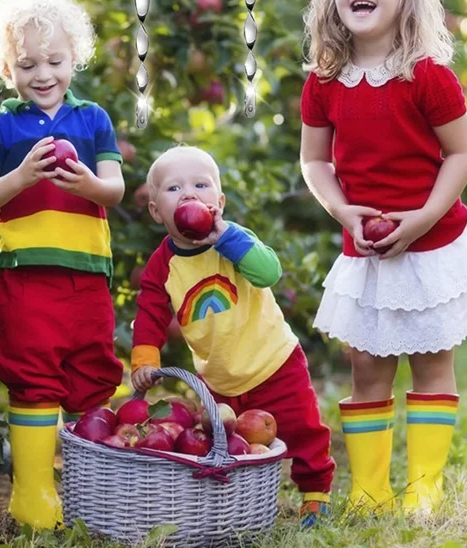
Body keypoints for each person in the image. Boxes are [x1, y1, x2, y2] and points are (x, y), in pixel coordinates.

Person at [299, 0, 467, 516]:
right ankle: (370, 493)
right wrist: (342, 210)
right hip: (364, 246)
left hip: (430, 243)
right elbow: (314, 160)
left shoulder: (427, 75)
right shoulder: (324, 81)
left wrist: (420, 220)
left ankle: (424, 488)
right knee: (366, 366)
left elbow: (461, 155)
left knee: (432, 360)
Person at [0, 0, 125, 529]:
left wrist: (84, 182)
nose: (43, 74)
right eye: (27, 64)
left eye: (54, 60)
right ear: (7, 70)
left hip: (86, 280)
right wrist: (21, 175)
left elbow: (115, 190)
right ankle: (34, 498)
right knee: (32, 378)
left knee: (93, 376)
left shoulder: (93, 120)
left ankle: (93, 497)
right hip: (26, 280)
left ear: (74, 57)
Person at [131, 145, 336, 527]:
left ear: (219, 201)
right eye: (174, 189)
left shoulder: (233, 241)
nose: (189, 194)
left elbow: (268, 272)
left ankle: (315, 493)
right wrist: (145, 359)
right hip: (220, 379)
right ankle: (240, 503)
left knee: (303, 429)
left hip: (274, 362)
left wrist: (229, 239)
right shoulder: (163, 265)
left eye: (200, 185)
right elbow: (150, 313)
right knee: (233, 443)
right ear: (157, 211)